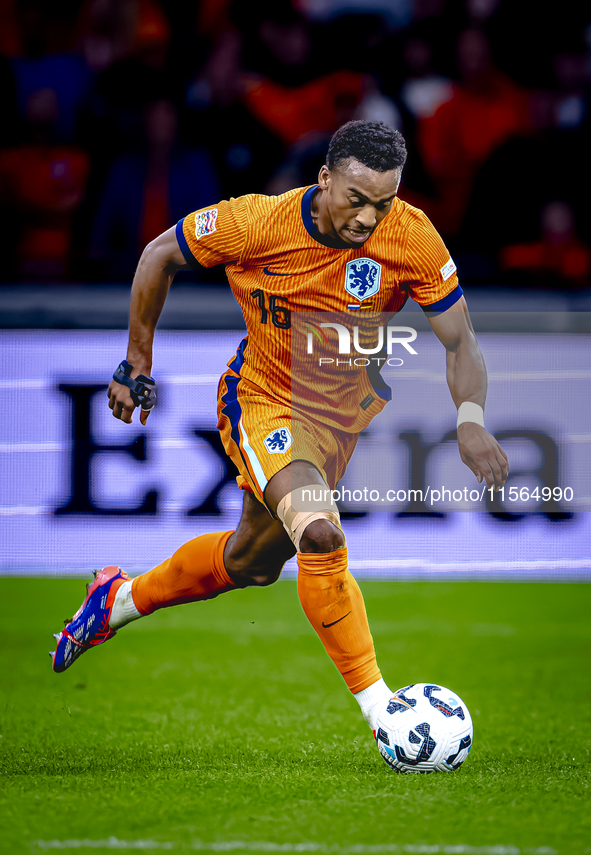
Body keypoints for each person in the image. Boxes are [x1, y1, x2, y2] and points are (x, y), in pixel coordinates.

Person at [50, 120, 508, 735]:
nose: (370, 218)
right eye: (357, 199)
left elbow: (461, 341)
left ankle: (117, 599)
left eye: (384, 202)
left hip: (338, 425)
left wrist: (470, 419)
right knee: (319, 532)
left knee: (252, 562)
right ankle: (386, 715)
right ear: (324, 180)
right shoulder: (257, 223)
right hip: (263, 399)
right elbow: (159, 254)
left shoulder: (413, 237)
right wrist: (136, 361)